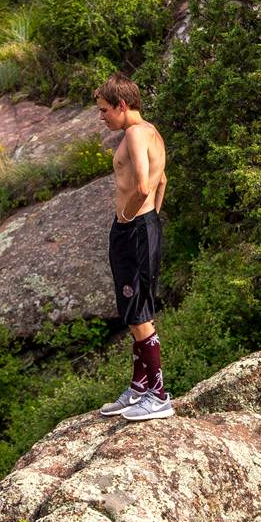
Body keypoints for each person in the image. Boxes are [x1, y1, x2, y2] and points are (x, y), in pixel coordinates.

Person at [94, 74, 172, 421]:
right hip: (144, 225)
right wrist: (150, 217)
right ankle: (140, 386)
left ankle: (158, 395)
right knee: (134, 307)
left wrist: (128, 219)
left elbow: (142, 184)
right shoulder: (152, 131)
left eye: (105, 110)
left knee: (139, 310)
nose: (102, 117)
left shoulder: (135, 134)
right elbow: (162, 181)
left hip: (134, 228)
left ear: (122, 106)